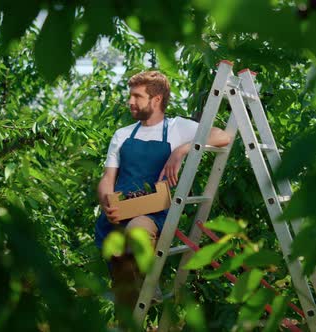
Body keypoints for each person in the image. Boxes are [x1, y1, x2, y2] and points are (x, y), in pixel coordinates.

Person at [94, 70, 231, 313]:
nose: (130, 101)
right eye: (131, 96)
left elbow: (223, 136)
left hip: (152, 211)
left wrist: (183, 149)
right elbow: (107, 178)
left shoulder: (177, 128)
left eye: (137, 96)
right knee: (123, 290)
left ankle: (147, 284)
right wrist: (107, 201)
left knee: (137, 232)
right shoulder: (123, 134)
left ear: (156, 100)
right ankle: (139, 297)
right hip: (120, 209)